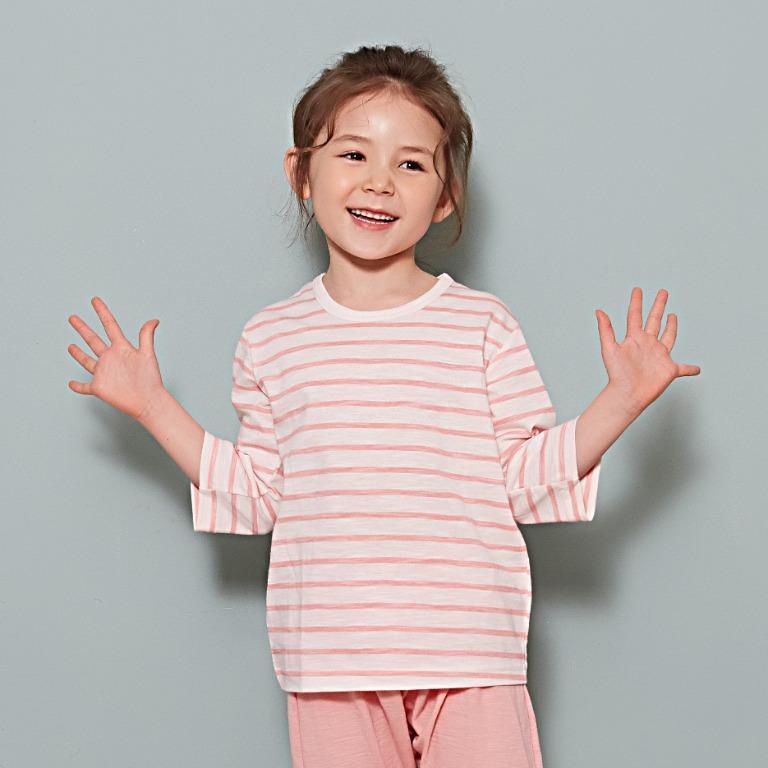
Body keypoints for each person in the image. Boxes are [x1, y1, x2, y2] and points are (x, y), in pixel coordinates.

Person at [66, 44, 700, 768]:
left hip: (470, 653)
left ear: (445, 196)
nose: (379, 182)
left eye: (411, 164)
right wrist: (152, 406)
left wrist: (621, 401)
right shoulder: (272, 338)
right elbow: (260, 495)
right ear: (301, 174)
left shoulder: (483, 326)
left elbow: (523, 480)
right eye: (353, 155)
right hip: (330, 663)